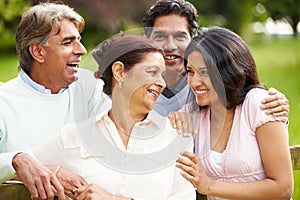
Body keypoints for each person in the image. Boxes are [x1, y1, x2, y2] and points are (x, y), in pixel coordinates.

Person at [32, 34, 196, 200]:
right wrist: (56, 172)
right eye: (152, 72)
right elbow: (17, 171)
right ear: (119, 72)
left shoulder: (176, 136)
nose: (162, 83)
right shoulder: (74, 135)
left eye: (162, 75)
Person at [0, 2, 110, 199]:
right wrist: (16, 160)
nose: (82, 50)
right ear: (38, 52)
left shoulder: (93, 92)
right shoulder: (4, 101)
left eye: (79, 40)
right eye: (68, 42)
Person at [175, 26, 293, 199]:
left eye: (205, 72)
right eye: (191, 72)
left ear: (228, 72)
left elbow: (283, 188)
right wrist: (170, 119)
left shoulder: (259, 104)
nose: (194, 82)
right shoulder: (193, 112)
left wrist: (209, 185)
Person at [142, 0, 289, 117]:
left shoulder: (212, 83)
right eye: (160, 36)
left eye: (180, 36)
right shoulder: (130, 85)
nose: (170, 45)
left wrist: (272, 105)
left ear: (194, 40)